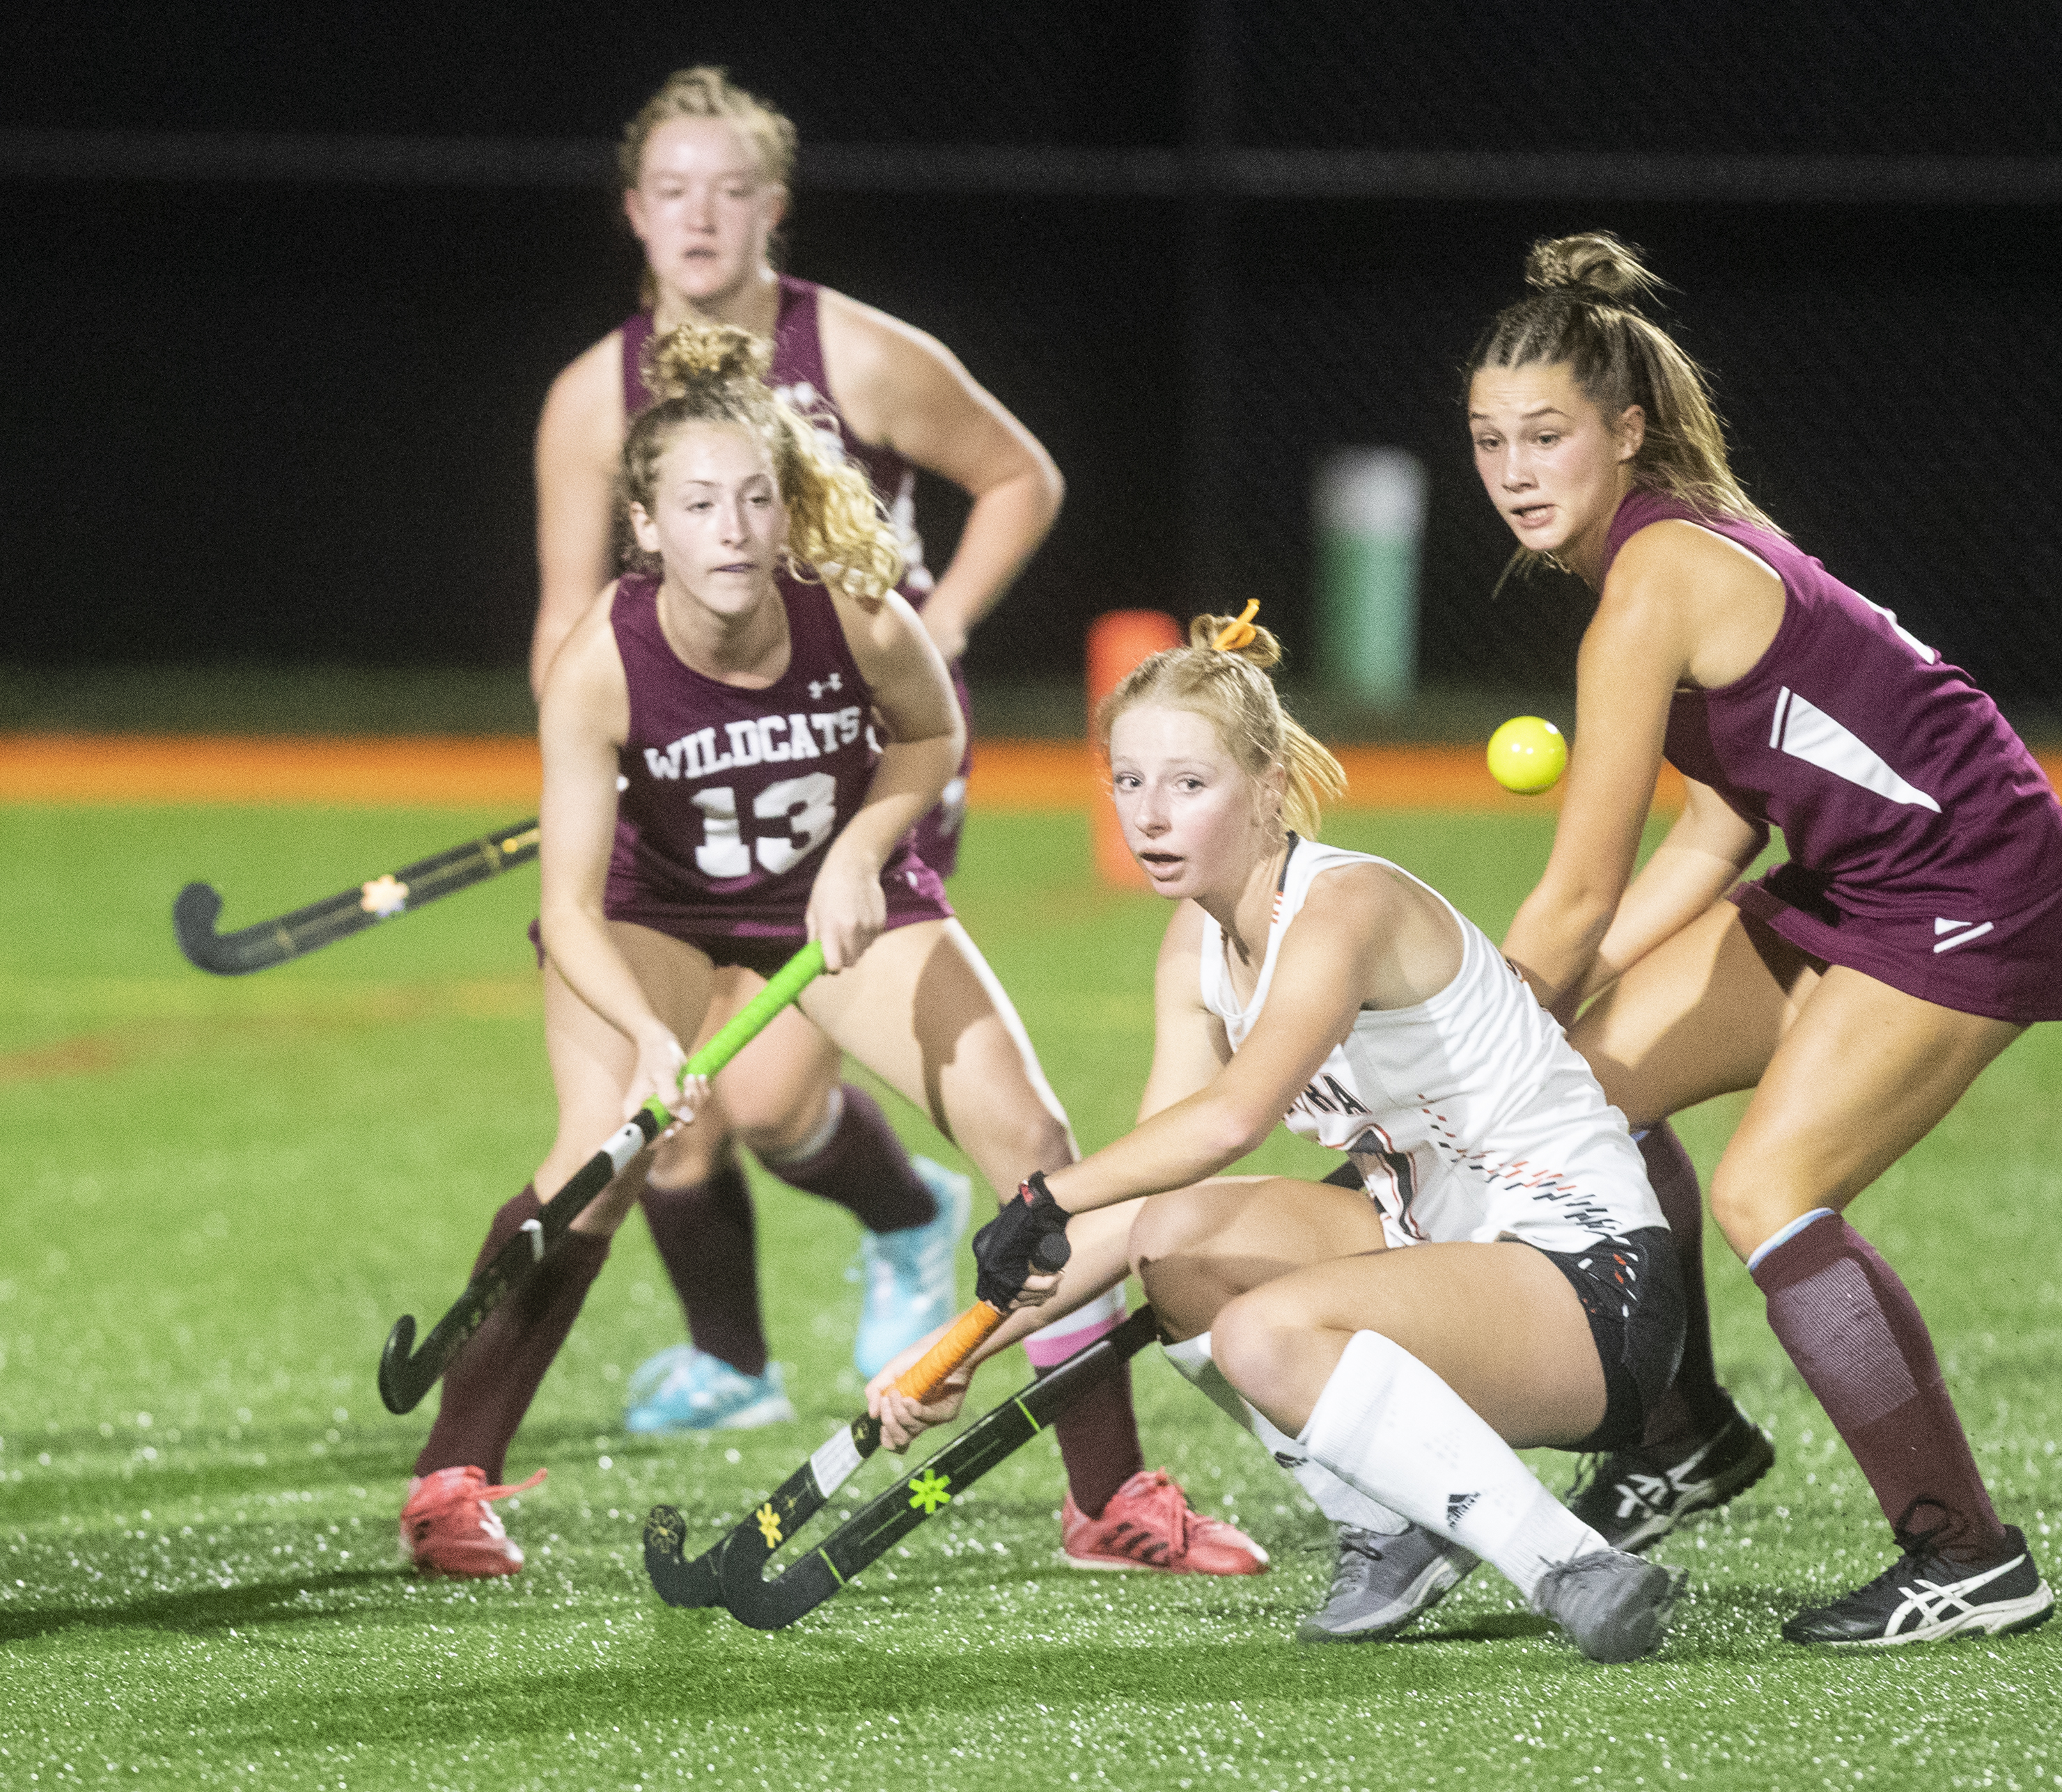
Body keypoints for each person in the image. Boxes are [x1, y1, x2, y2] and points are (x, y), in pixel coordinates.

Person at [397, 327, 1263, 1580]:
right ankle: (451, 1483)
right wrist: (651, 1042)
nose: (734, 528)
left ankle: (1110, 1499)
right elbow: (574, 907)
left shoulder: (856, 610)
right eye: (699, 504)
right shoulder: (600, 665)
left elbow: (928, 737)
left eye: (756, 496)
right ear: (647, 525)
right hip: (653, 908)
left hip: (838, 894)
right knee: (600, 1156)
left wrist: (861, 853)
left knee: (1036, 1145)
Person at [529, 72, 1157, 1550]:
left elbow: (1019, 477)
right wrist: (587, 750)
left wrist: (926, 631)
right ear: (633, 211)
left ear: (772, 208)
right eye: (670, 190)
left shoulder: (854, 353)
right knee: (689, 1101)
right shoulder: (589, 397)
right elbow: (568, 612)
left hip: (858, 767)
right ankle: (747, 1347)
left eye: (728, 189)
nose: (699, 217)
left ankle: (944, 1269)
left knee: (766, 1094)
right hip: (694, 782)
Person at [1465, 233, 2062, 1646]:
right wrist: (1544, 1022)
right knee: (1580, 1091)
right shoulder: (1668, 547)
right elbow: (1712, 831)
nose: (1512, 469)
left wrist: (1468, 1035)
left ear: (1623, 434)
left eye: (1545, 436)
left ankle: (1967, 1554)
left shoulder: (1650, 586)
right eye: (1490, 439)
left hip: (1970, 877)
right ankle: (1679, 1434)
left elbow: (1570, 898)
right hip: (1859, 878)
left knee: (1767, 1189)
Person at [870, 612, 1689, 1664]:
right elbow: (1141, 1200)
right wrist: (952, 1353)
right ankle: (1391, 1524)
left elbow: (1230, 1119)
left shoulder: (1345, 907)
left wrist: (1049, 1195)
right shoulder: (1196, 947)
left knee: (1267, 1332)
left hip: (1595, 1287)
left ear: (1266, 789)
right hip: (1440, 1251)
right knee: (1178, 1245)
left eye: (1189, 784)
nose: (1149, 817)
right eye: (1128, 782)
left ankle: (1569, 1560)